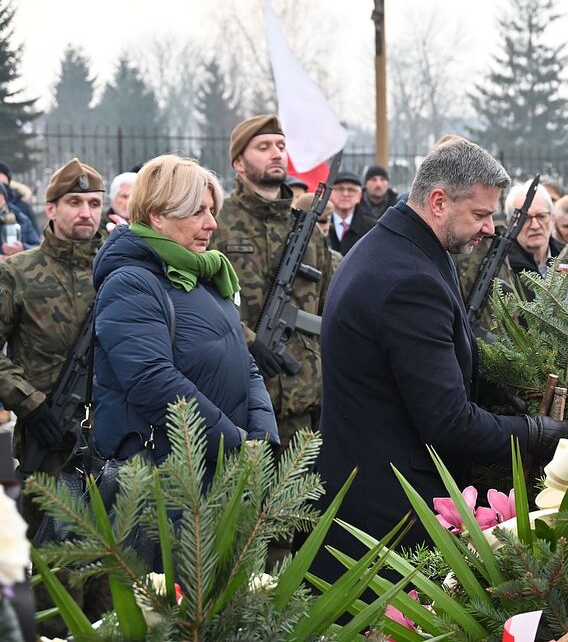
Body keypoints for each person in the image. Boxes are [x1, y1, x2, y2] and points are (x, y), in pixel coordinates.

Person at [312, 138, 568, 582]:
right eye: (481, 215)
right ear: (438, 202)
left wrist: (506, 382)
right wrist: (534, 433)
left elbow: (451, 344)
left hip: (369, 488)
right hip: (388, 516)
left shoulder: (406, 247)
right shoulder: (410, 279)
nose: (491, 229)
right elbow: (448, 422)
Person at [92, 155, 278, 471]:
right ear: (157, 216)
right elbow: (152, 380)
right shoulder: (131, 283)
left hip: (224, 467)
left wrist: (262, 435)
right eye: (197, 212)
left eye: (211, 210)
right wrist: (232, 441)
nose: (212, 223)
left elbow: (245, 363)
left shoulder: (202, 273)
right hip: (166, 482)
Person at [210, 115, 332, 447]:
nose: (276, 153)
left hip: (303, 405)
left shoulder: (306, 230)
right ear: (238, 162)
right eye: (263, 147)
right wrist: (248, 340)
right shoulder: (215, 226)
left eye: (280, 146)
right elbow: (200, 302)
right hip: (237, 402)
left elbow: (329, 307)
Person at [0, 158, 104, 533]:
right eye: (74, 202)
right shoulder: (18, 272)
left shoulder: (116, 272)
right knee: (53, 569)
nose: (86, 213)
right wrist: (30, 403)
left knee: (111, 573)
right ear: (51, 208)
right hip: (47, 446)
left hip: (110, 443)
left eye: (94, 203)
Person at [504, 180, 563, 299]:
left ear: (552, 219)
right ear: (510, 224)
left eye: (541, 216)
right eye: (525, 219)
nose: (535, 226)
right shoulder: (503, 266)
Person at [327, 171, 376, 256]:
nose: (345, 194)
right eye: (339, 189)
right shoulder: (320, 224)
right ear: (330, 193)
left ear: (359, 195)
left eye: (351, 190)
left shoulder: (372, 228)